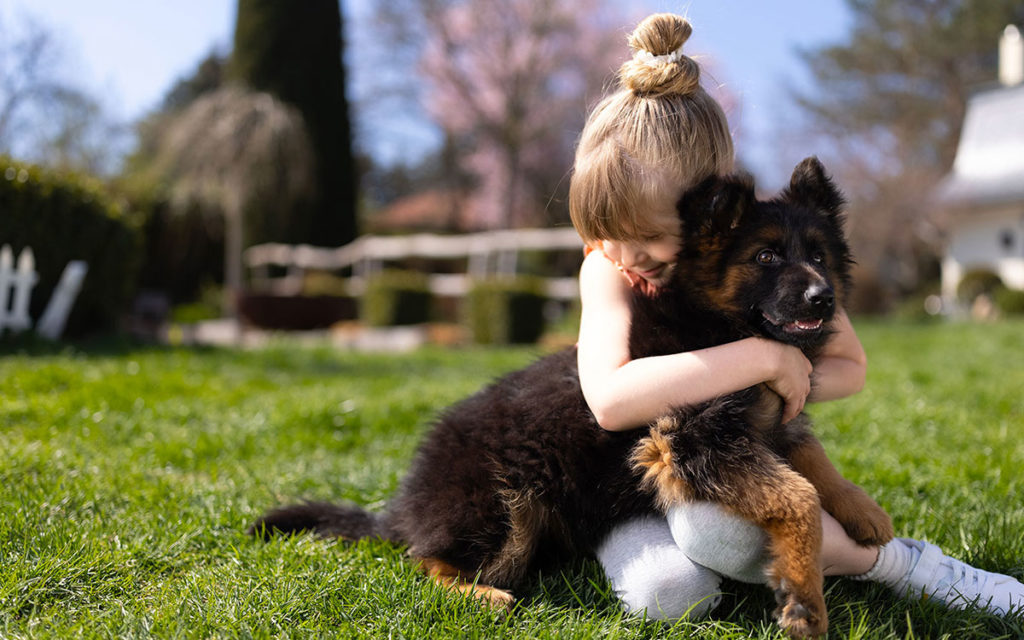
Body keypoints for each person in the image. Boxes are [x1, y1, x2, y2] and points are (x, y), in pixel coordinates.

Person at [568, 12, 1024, 622]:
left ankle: (903, 564)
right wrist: (764, 360)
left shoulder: (765, 256)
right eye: (603, 233)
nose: (627, 256)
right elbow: (610, 400)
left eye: (649, 235)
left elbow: (850, 367)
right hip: (624, 482)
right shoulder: (609, 269)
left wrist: (788, 375)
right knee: (669, 596)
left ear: (713, 216)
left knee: (718, 537)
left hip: (723, 471)